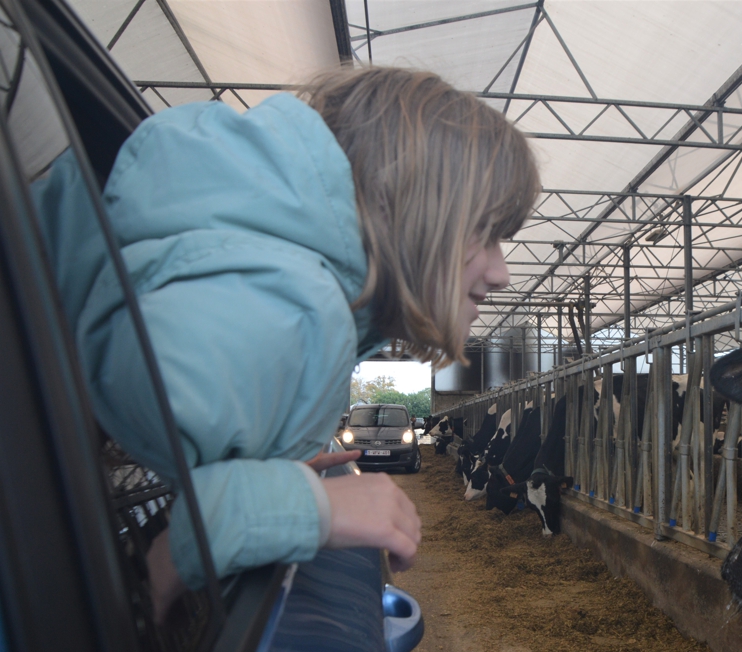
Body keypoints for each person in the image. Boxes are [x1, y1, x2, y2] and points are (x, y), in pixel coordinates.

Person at [73, 66, 540, 616]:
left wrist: (269, 468)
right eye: (485, 233)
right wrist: (293, 507)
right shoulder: (281, 308)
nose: (501, 271)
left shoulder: (258, 260)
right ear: (418, 210)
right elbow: (96, 577)